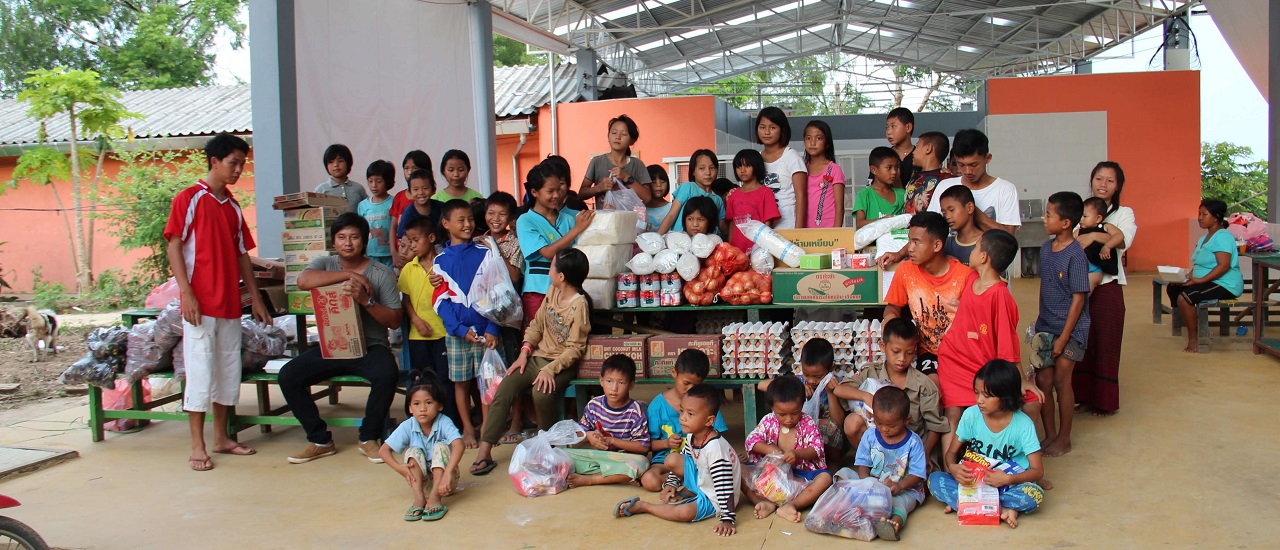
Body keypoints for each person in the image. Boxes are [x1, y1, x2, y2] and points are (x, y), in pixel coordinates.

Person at [163, 132, 270, 471]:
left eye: (242, 164)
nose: (238, 170)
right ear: (214, 161)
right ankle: (198, 444)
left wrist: (255, 298)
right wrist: (187, 293)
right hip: (200, 305)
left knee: (226, 370)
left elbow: (243, 256)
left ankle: (222, 437)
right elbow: (174, 246)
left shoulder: (234, 207)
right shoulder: (190, 198)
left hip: (228, 305)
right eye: (233, 163)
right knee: (199, 371)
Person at [280, 213, 402, 465]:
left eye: (354, 237)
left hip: (370, 346)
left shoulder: (381, 273)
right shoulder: (325, 263)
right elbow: (303, 280)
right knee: (288, 375)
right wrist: (351, 277)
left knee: (387, 372)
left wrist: (366, 301)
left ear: (365, 240)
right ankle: (320, 440)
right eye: (341, 237)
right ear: (333, 241)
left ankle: (368, 437)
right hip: (332, 345)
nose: (348, 243)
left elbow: (394, 321)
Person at [471, 248, 592, 475]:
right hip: (536, 358)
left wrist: (549, 369)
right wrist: (524, 351)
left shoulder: (579, 305)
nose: (550, 269)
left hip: (560, 365)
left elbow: (575, 349)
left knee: (541, 393)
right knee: (505, 387)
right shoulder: (552, 292)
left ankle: (547, 446)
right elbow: (536, 325)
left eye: (553, 265)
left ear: (561, 276)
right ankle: (484, 451)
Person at [937, 230, 1041, 454]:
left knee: (1031, 401)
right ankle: (950, 470)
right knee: (953, 414)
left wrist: (1021, 379)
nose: (971, 252)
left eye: (975, 248)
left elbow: (1008, 346)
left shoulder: (1000, 295)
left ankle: (1022, 463)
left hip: (985, 369)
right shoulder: (972, 277)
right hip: (953, 362)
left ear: (983, 257)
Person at [928, 360, 1046, 529]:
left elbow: (1037, 471)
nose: (979, 400)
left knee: (1034, 494)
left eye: (987, 395)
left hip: (1008, 485)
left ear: (1006, 396)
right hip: (975, 482)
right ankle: (1003, 509)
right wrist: (953, 467)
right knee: (935, 480)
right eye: (977, 393)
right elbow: (951, 453)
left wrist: (1008, 478)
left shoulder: (1023, 425)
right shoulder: (971, 415)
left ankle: (966, 505)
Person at [614, 384, 742, 537]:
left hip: (715, 496)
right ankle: (689, 490)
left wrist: (727, 518)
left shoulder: (715, 448)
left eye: (690, 414)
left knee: (683, 513)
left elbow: (724, 485)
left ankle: (645, 507)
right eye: (682, 411)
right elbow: (686, 459)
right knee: (672, 459)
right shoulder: (691, 435)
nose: (683, 418)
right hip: (703, 480)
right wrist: (671, 482)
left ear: (709, 421)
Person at [432, 199, 501, 449]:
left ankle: (487, 427)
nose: (468, 224)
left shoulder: (486, 254)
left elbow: (498, 293)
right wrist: (460, 330)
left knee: (487, 382)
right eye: (460, 220)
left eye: (470, 219)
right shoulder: (440, 261)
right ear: (446, 224)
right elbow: (440, 301)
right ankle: (468, 428)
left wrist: (493, 328)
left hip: (486, 332)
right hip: (458, 335)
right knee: (461, 383)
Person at [832, 319, 948, 468]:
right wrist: (866, 396)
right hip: (879, 446)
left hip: (910, 451)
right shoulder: (871, 372)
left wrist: (924, 454)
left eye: (909, 353)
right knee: (852, 422)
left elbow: (935, 426)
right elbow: (839, 389)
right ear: (882, 346)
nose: (902, 359)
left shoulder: (924, 385)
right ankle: (873, 465)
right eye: (896, 352)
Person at [1073, 162, 1137, 416]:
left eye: (1110, 181)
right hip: (1079, 281)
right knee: (1081, 340)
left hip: (1109, 284)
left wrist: (1092, 236)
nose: (1103, 184)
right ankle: (1083, 396)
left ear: (1118, 186)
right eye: (1099, 178)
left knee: (1106, 341)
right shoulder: (1082, 209)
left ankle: (1105, 402)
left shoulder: (1124, 212)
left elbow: (1124, 239)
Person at [882, 212, 974, 385]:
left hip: (961, 351)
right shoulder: (905, 271)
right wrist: (890, 321)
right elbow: (893, 307)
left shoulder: (965, 277)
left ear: (937, 245)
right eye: (910, 241)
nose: (910, 248)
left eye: (917, 242)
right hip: (928, 352)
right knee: (932, 385)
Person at [1033, 191, 1091, 458]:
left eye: (1048, 214)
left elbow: (1079, 300)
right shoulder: (1046, 249)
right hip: (1046, 325)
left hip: (1071, 329)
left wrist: (1064, 338)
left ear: (1066, 223)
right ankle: (1050, 435)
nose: (1044, 219)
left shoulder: (1076, 255)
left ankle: (1065, 438)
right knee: (1043, 381)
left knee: (1061, 380)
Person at [743, 376, 834, 523]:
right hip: (770, 476)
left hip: (800, 475)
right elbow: (752, 441)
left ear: (802, 405)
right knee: (739, 470)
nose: (789, 419)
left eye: (795, 413)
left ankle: (793, 504)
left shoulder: (807, 422)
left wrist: (797, 454)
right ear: (772, 408)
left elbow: (817, 449)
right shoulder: (768, 421)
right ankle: (764, 502)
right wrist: (771, 450)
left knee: (825, 478)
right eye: (782, 414)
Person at [640, 349, 731, 491]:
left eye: (696, 385)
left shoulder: (706, 405)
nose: (690, 389)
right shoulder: (657, 406)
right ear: (674, 373)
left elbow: (718, 440)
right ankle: (686, 479)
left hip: (698, 461)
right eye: (686, 383)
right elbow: (647, 445)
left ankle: (682, 479)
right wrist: (666, 443)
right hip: (665, 462)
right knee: (649, 480)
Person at [398, 216, 458, 427]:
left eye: (416, 240)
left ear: (431, 238)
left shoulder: (445, 264)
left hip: (444, 333)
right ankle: (423, 424)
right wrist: (415, 319)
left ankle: (450, 424)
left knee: (445, 380)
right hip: (418, 335)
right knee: (422, 381)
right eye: (409, 241)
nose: (412, 245)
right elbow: (405, 299)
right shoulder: (408, 269)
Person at [517, 162, 594, 321]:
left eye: (559, 189)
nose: (556, 195)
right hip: (538, 292)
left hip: (567, 292)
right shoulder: (525, 221)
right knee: (538, 340)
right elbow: (547, 253)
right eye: (550, 191)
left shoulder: (568, 218)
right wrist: (576, 230)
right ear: (534, 192)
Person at [378, 381, 464, 522]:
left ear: (440, 406)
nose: (422, 408)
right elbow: (383, 451)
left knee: (440, 446)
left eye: (428, 403)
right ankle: (419, 498)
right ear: (410, 408)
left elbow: (459, 444)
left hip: (445, 483)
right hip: (422, 483)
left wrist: (448, 473)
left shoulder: (444, 421)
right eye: (416, 404)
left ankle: (435, 497)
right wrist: (399, 468)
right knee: (413, 451)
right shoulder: (408, 425)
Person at [1167, 198, 1243, 353]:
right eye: (1199, 213)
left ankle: (1195, 340)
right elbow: (1200, 264)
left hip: (1225, 284)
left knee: (1186, 297)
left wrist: (1199, 281)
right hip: (1209, 280)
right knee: (1173, 288)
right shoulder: (1204, 238)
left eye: (1204, 214)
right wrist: (1186, 277)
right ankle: (1189, 323)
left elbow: (1223, 266)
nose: (1199, 217)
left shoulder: (1222, 237)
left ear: (1216, 217)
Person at [564, 355, 651, 488]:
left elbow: (643, 447)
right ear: (601, 381)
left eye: (621, 383)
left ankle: (591, 479)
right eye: (609, 381)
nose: (614, 388)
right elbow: (578, 435)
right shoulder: (594, 405)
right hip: (598, 457)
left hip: (622, 459)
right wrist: (588, 436)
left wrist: (612, 441)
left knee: (642, 464)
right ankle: (617, 477)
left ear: (631, 385)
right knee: (560, 453)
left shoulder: (635, 411)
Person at [853, 386, 926, 542]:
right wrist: (866, 482)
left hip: (904, 489)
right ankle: (852, 511)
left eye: (891, 426)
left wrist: (899, 486)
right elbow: (863, 464)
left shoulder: (913, 442)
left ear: (906, 420)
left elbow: (917, 474)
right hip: (873, 484)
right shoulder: (870, 435)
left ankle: (893, 524)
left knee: (901, 504)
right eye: (879, 423)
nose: (884, 429)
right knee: (844, 474)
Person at [757, 338, 847, 462]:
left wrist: (831, 393)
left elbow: (839, 422)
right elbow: (761, 385)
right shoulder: (799, 381)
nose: (811, 380)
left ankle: (833, 463)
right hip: (801, 439)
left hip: (829, 443)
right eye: (806, 374)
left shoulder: (836, 383)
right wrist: (796, 387)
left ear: (831, 368)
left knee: (829, 427)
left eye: (818, 377)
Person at [926, 129, 1020, 234]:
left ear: (988, 158)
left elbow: (1008, 238)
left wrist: (968, 209)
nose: (967, 171)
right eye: (961, 164)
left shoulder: (1005, 190)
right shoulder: (945, 187)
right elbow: (929, 228)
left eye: (974, 165)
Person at [579, 114, 653, 207]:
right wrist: (599, 187)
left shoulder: (637, 164)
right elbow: (581, 194)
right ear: (608, 136)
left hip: (629, 221)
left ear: (632, 141)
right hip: (604, 220)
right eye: (614, 133)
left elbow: (647, 197)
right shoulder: (596, 162)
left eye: (624, 134)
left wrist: (627, 177)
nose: (618, 137)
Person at [723, 149, 781, 253]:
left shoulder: (765, 192)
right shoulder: (733, 195)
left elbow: (768, 224)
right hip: (737, 251)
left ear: (757, 167)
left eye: (747, 166)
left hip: (758, 250)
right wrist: (730, 248)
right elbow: (732, 224)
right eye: (739, 166)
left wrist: (764, 249)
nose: (742, 170)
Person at [757, 106, 806, 228]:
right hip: (762, 229)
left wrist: (798, 232)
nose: (767, 132)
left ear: (782, 129)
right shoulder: (755, 158)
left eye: (772, 127)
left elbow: (802, 196)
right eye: (762, 127)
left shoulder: (792, 157)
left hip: (788, 226)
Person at [658, 150, 723, 234]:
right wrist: (656, 239)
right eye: (701, 168)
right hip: (679, 243)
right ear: (693, 171)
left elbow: (722, 226)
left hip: (705, 245)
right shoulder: (688, 187)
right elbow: (671, 215)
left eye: (712, 168)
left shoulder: (718, 199)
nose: (708, 173)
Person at [802, 120, 846, 228]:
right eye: (808, 138)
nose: (812, 143)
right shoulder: (801, 169)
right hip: (804, 231)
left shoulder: (835, 170)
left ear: (827, 143)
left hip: (828, 231)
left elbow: (839, 208)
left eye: (818, 138)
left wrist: (836, 234)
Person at [392, 151, 432, 265]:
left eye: (415, 168)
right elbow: (398, 232)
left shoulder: (437, 205)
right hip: (411, 257)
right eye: (406, 168)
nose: (410, 172)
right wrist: (395, 252)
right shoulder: (407, 209)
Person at [1077, 197, 1125, 290]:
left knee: (1085, 291)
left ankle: (1081, 303)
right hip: (1080, 268)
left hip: (1095, 269)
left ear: (1098, 218)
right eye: (1080, 216)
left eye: (1085, 216)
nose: (1081, 219)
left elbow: (1119, 236)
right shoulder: (1078, 231)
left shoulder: (1106, 227)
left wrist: (1107, 246)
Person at [357, 159, 396, 267]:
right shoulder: (363, 206)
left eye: (378, 181)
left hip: (389, 254)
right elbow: (360, 231)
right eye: (370, 181)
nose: (374, 185)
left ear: (387, 181)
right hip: (370, 255)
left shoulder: (393, 202)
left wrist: (395, 252)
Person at [854, 146, 905, 228]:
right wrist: (882, 221)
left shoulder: (902, 194)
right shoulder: (864, 195)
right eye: (889, 168)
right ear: (873, 169)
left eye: (896, 167)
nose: (894, 172)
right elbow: (860, 224)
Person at [904, 131, 950, 214]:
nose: (913, 152)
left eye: (917, 146)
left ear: (928, 148)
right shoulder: (914, 176)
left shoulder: (946, 180)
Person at [938, 185, 985, 265]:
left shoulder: (986, 242)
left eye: (952, 210)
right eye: (944, 213)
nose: (947, 217)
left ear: (969, 208)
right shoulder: (947, 243)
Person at [315, 143, 368, 212]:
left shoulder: (358, 188)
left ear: (348, 163)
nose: (336, 165)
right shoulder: (320, 190)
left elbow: (368, 210)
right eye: (331, 162)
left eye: (340, 161)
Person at [396, 169, 445, 241]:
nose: (421, 192)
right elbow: (402, 236)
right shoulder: (408, 213)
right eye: (416, 189)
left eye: (425, 188)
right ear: (410, 192)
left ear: (433, 190)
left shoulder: (441, 207)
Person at [885, 107, 918, 187]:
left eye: (893, 126)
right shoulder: (883, 156)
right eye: (887, 128)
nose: (888, 132)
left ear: (908, 127)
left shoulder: (921, 157)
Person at [645, 164, 672, 232]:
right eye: (654, 182)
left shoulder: (672, 208)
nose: (659, 185)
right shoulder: (638, 208)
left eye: (662, 182)